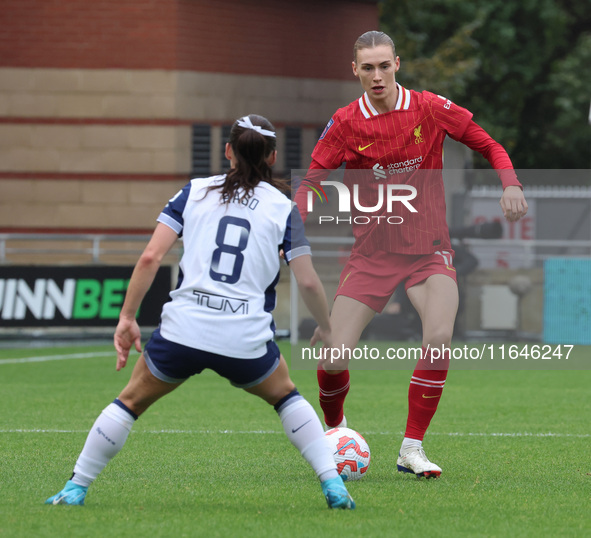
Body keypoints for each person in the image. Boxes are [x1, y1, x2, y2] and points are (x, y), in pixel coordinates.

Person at [45, 114, 355, 510]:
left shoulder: (194, 191)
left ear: (227, 151)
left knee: (129, 403)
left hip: (183, 331)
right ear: (273, 156)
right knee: (287, 397)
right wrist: (326, 328)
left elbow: (150, 258)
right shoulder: (283, 208)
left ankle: (76, 488)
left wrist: (127, 319)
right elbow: (309, 282)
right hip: (244, 338)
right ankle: (333, 485)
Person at [295, 31, 528, 478]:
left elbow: (489, 144)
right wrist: (295, 213)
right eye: (368, 68)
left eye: (384, 66)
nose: (377, 75)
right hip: (371, 256)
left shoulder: (428, 107)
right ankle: (337, 433)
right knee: (333, 356)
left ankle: (412, 447)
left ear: (397, 64)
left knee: (439, 337)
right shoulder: (345, 122)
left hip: (428, 250)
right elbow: (313, 181)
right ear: (356, 71)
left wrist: (511, 182)